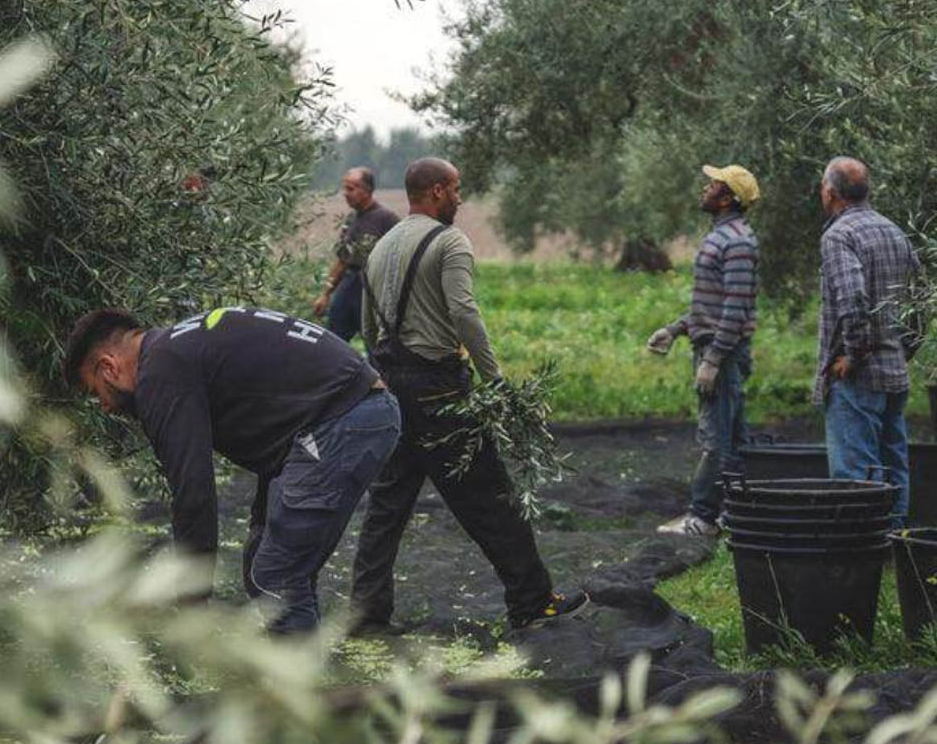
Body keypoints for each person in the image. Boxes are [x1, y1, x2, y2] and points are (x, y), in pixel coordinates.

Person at [348, 156, 587, 631]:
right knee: (490, 495)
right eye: (456, 188)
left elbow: (367, 327)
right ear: (436, 191)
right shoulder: (450, 240)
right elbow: (464, 314)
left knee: (386, 505)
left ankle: (365, 613)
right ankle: (532, 601)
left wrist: (382, 376)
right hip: (440, 389)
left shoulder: (379, 249)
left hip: (391, 386)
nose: (461, 197)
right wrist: (495, 381)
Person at [63, 305, 401, 634]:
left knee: (276, 577)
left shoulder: (160, 371)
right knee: (261, 560)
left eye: (97, 393)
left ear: (108, 367)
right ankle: (290, 670)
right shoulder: (174, 349)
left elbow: (193, 491)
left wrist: (191, 601)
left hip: (346, 419)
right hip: (341, 417)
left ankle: (297, 686)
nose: (105, 407)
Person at [648, 164, 760, 536]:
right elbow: (710, 304)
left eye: (713, 184)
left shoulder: (738, 241)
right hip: (715, 345)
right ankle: (737, 513)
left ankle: (702, 518)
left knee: (715, 438)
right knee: (733, 434)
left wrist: (713, 359)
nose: (706, 187)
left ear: (727, 198)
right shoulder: (721, 237)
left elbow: (735, 306)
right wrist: (675, 329)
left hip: (722, 352)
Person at [814, 156, 922, 527]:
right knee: (894, 466)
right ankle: (894, 542)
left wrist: (852, 355)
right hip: (895, 372)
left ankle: (863, 551)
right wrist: (904, 350)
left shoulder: (839, 236)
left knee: (855, 473)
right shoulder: (895, 231)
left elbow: (853, 298)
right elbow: (921, 302)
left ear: (829, 192)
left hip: (858, 377)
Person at [312, 167, 400, 341]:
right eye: (345, 188)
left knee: (376, 345)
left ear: (367, 190)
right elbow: (342, 260)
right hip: (349, 285)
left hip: (373, 290)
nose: (345, 193)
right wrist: (326, 294)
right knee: (333, 341)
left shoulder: (386, 219)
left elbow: (401, 260)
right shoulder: (352, 219)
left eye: (351, 189)